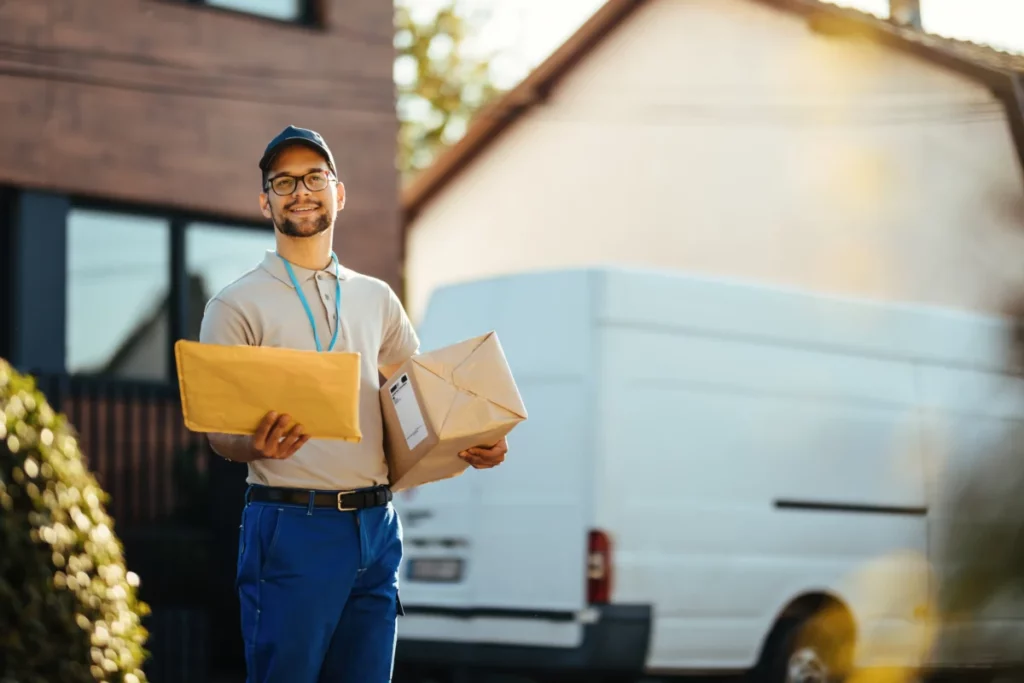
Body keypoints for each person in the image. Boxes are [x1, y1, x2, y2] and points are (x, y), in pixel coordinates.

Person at [198, 125, 508, 683]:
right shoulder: (234, 304)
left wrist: (472, 437)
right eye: (284, 181)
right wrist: (251, 443)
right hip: (293, 525)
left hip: (377, 526)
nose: (301, 191)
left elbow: (419, 400)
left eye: (315, 177)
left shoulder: (376, 297)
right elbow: (218, 432)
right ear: (264, 200)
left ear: (339, 193)